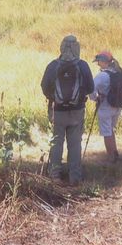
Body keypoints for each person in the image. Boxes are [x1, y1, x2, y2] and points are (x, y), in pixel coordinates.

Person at [41, 35, 94, 185]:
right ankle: (74, 177)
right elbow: (91, 88)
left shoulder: (53, 65)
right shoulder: (83, 66)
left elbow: (44, 87)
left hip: (57, 111)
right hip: (77, 111)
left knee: (57, 142)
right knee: (75, 144)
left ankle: (55, 175)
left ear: (61, 47)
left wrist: (55, 98)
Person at [89, 50, 122, 163]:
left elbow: (91, 88)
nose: (97, 64)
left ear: (103, 62)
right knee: (110, 129)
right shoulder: (120, 73)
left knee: (106, 132)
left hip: (105, 107)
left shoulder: (102, 76)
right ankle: (115, 153)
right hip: (118, 106)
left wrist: (95, 98)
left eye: (98, 62)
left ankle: (111, 157)